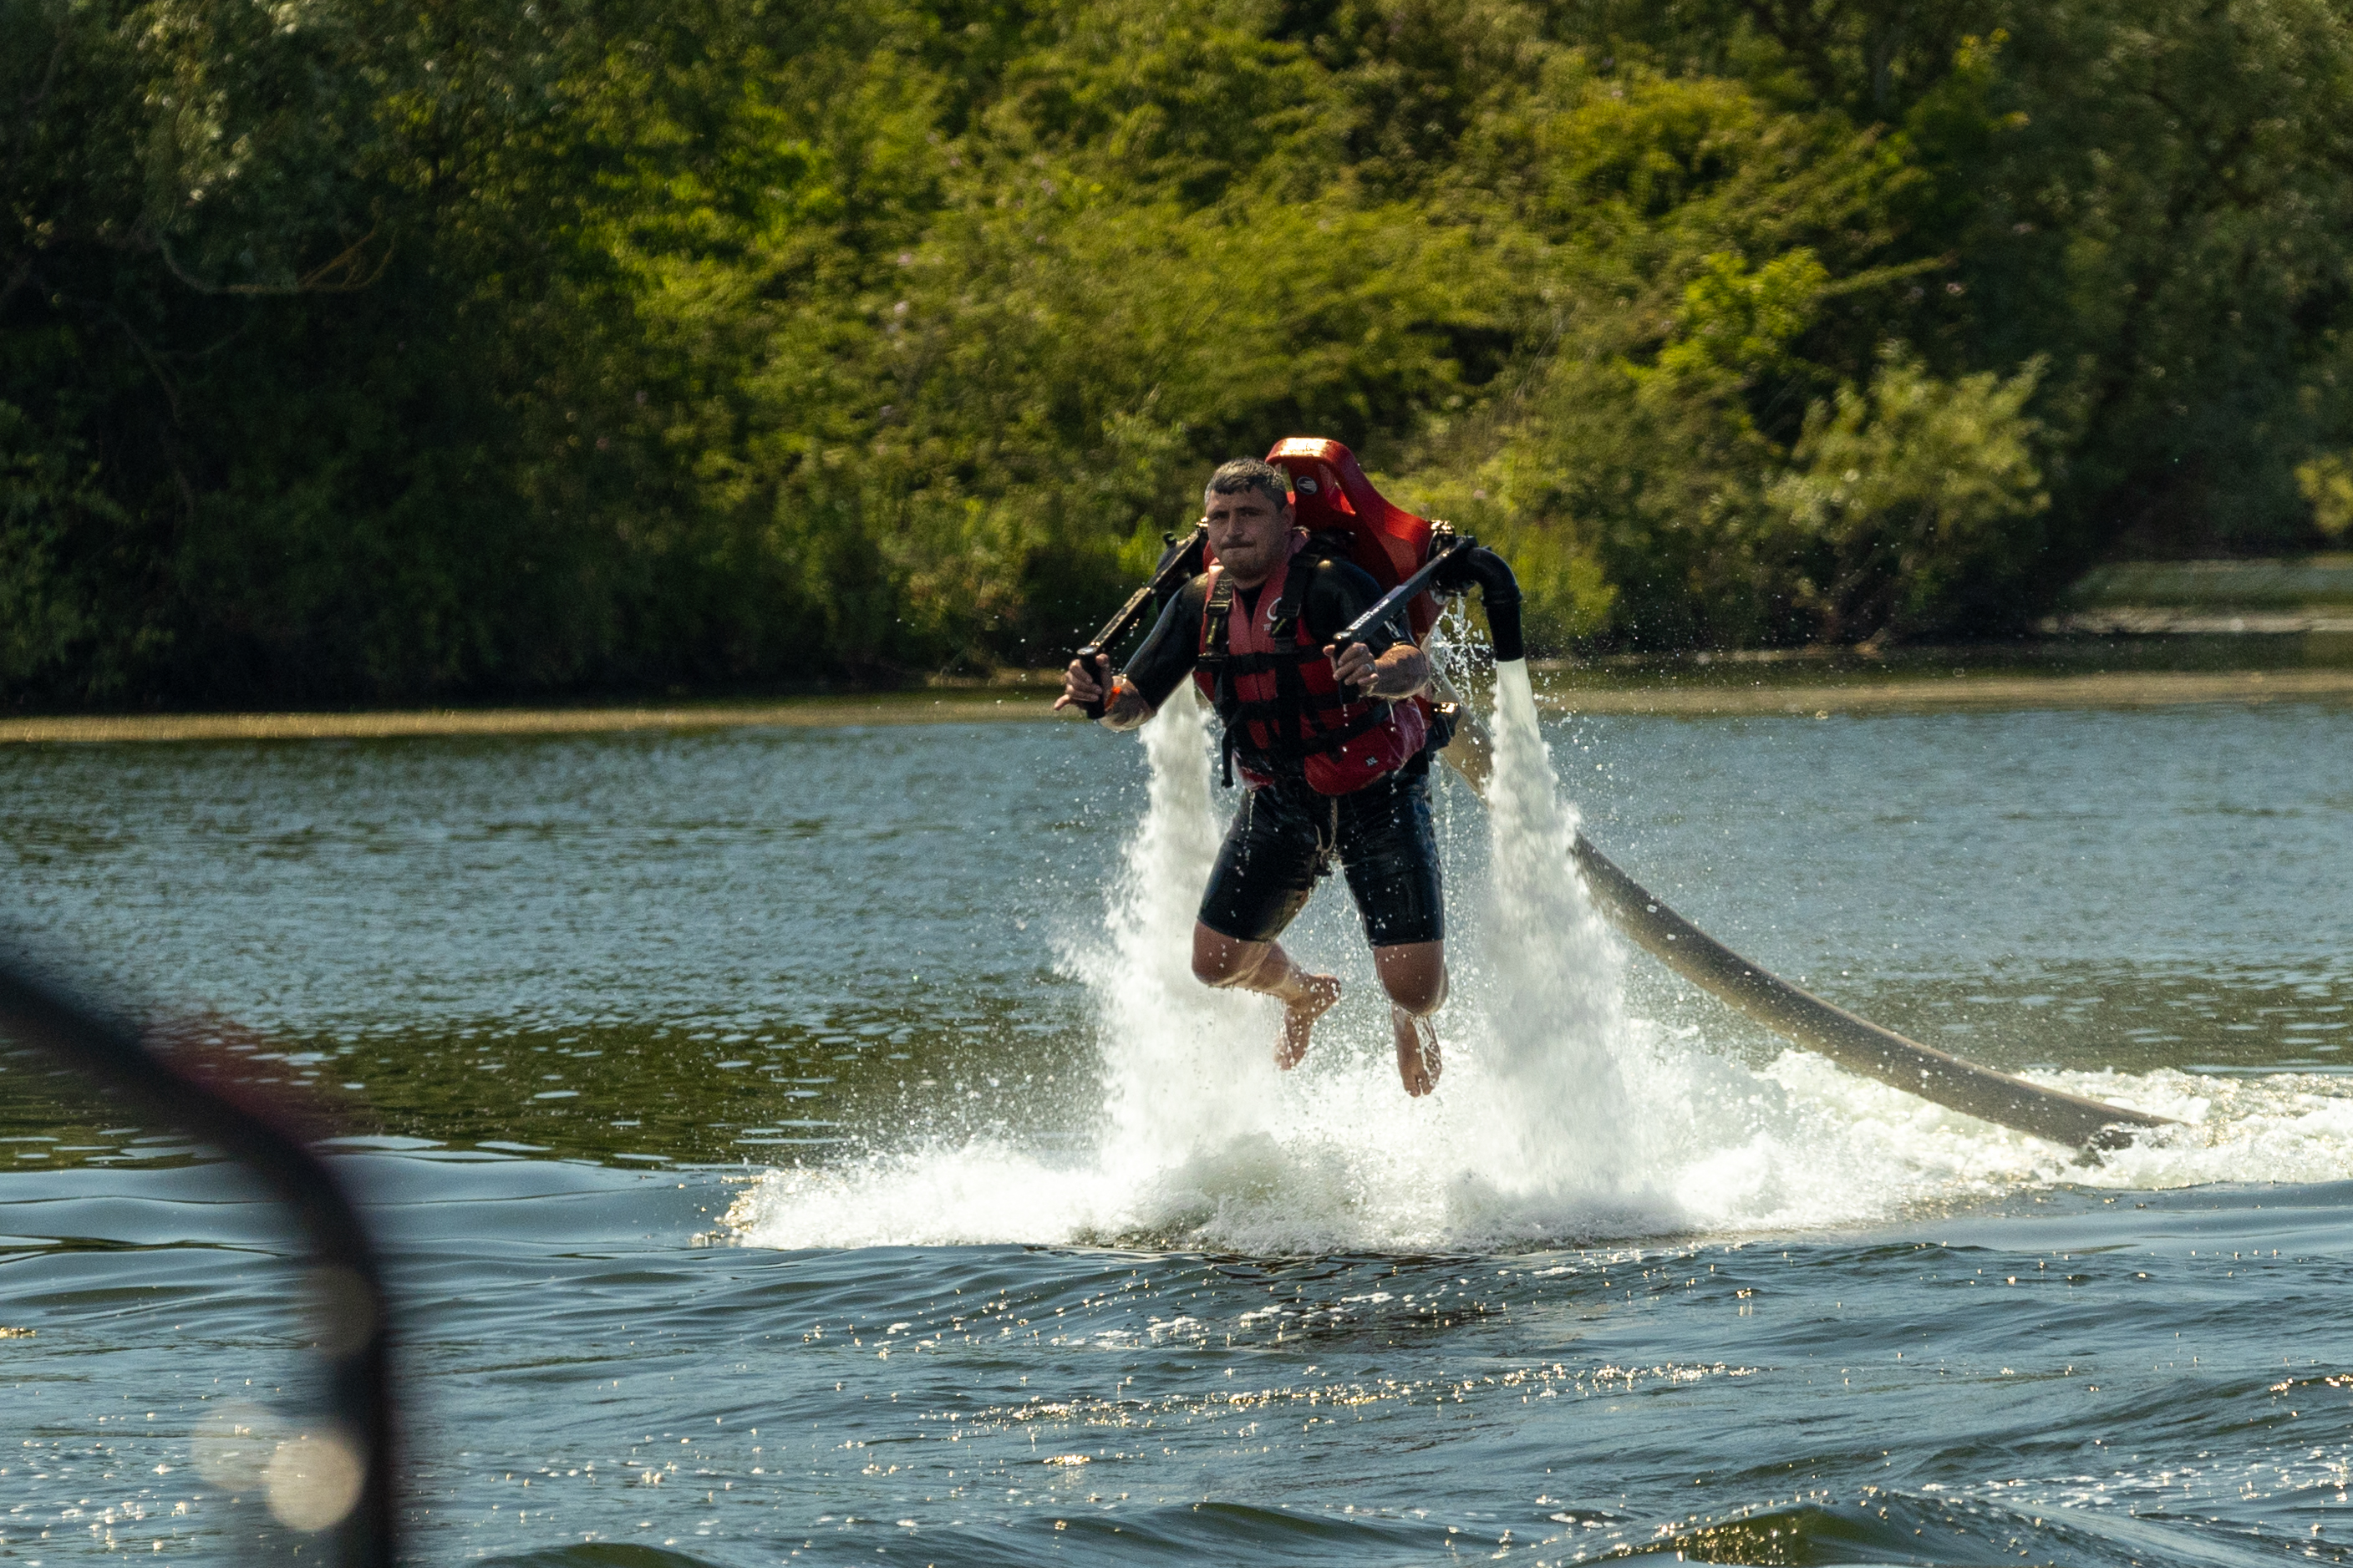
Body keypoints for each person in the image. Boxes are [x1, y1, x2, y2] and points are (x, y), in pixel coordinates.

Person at [1056, 457, 1449, 1095]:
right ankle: (1303, 993)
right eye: (1220, 516)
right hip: (1279, 800)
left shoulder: (1331, 584)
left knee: (1417, 987)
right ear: (1206, 526)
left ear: (1287, 520)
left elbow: (1411, 662)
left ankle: (1408, 1016)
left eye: (1249, 515)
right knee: (1215, 965)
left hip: (1377, 791)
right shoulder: (1196, 605)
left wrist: (1383, 674)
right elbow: (1136, 702)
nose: (1233, 529)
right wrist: (1102, 699)